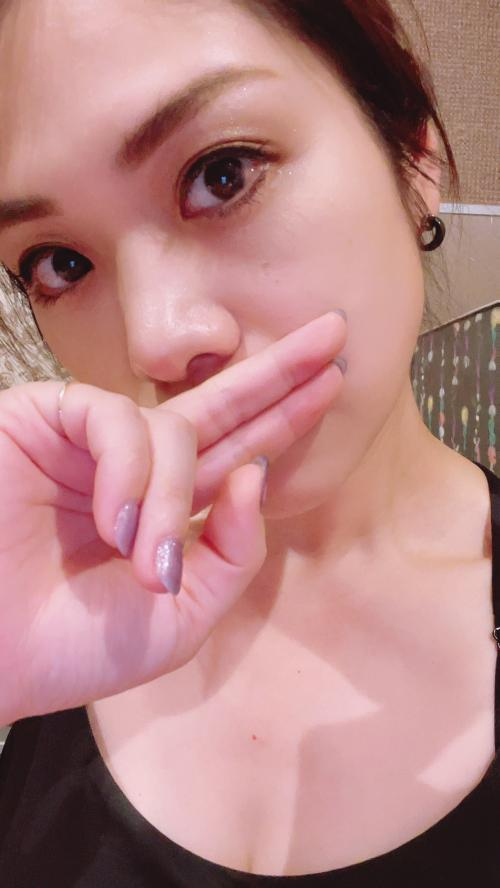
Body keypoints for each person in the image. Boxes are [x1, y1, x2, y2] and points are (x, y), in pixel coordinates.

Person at [0, 0, 498, 884]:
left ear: (412, 154)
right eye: (61, 265)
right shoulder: (57, 600)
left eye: (221, 174)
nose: (155, 340)